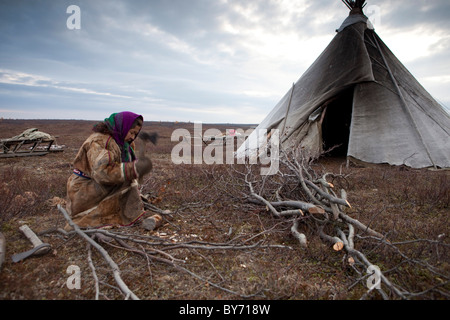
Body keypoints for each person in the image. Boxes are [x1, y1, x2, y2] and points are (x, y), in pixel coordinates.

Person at [65, 111, 153, 230]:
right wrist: (133, 169)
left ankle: (129, 214)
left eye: (135, 134)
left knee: (129, 182)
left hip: (97, 186)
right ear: (123, 127)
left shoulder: (124, 144)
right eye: (131, 132)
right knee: (128, 182)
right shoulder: (99, 142)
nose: (132, 137)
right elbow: (102, 173)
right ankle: (84, 220)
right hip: (84, 191)